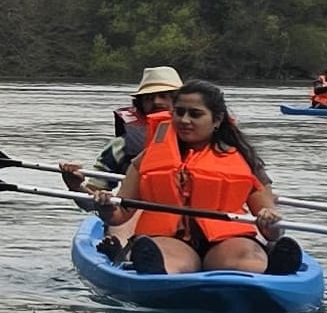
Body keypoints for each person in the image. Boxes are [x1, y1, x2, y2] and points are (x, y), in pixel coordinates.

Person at [90, 78, 295, 276]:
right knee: (167, 259)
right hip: (171, 239)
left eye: (195, 114)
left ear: (216, 120)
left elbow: (272, 231)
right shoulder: (147, 158)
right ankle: (159, 273)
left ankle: (267, 271)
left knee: (245, 258)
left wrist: (269, 220)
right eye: (179, 113)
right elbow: (119, 216)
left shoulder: (244, 160)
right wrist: (105, 206)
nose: (184, 120)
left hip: (226, 239)